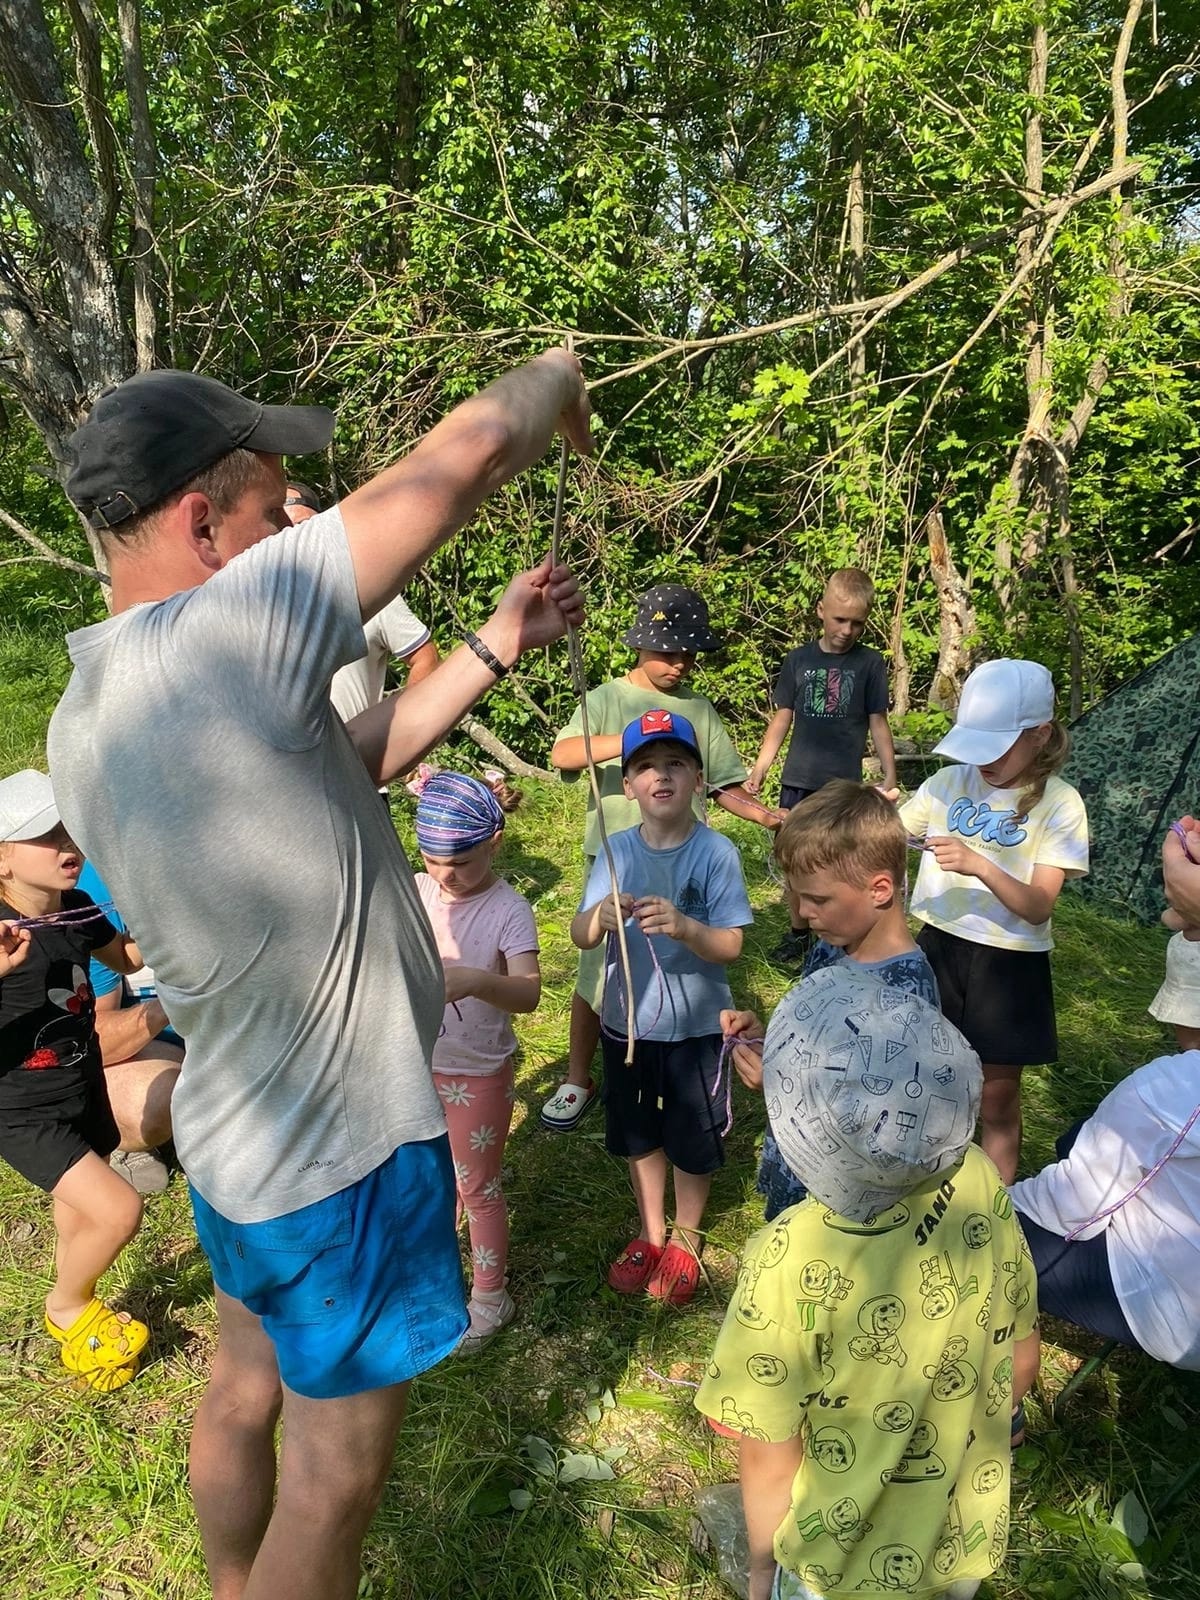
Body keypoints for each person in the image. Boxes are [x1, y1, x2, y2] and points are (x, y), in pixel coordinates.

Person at [47, 352, 591, 1600]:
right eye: (274, 505)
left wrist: (496, 642)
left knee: (243, 1396)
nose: (296, 525)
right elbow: (459, 460)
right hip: (342, 1151)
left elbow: (347, 755)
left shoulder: (92, 709)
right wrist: (554, 374)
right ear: (201, 521)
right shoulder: (225, 627)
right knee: (337, 1484)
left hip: (239, 1138)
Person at [696, 963, 1040, 1600]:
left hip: (839, 1568)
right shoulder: (977, 1178)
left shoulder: (788, 1256)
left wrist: (763, 1569)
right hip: (960, 1533)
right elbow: (1022, 1358)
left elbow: (768, 1450)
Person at [543, 584, 782, 1133]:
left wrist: (769, 817)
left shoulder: (697, 711)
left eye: (689, 654)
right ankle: (580, 1076)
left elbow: (723, 786)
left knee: (678, 952)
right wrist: (633, 740)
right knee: (597, 973)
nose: (680, 665)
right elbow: (564, 752)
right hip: (617, 862)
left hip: (683, 862)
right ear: (640, 646)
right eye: (669, 653)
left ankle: (670, 1056)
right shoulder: (605, 697)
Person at [570, 709, 754, 1305]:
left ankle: (687, 1239)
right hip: (628, 1026)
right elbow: (579, 935)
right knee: (639, 1132)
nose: (661, 776)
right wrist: (597, 917)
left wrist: (684, 927)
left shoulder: (717, 853)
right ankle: (651, 1233)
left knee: (690, 1136)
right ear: (627, 786)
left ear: (698, 777)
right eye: (646, 766)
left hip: (697, 1027)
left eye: (676, 763)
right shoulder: (615, 851)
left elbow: (730, 945)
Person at [899, 660, 1089, 1183]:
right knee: (926, 1074)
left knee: (997, 1094)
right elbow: (889, 834)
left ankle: (996, 1203)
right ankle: (923, 1182)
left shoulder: (1060, 804)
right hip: (938, 945)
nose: (980, 762)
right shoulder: (947, 783)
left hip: (1010, 964)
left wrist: (980, 864)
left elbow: (1037, 905)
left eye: (996, 747)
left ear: (1040, 735)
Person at [721, 781, 939, 1220]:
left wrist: (783, 1084)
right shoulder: (831, 944)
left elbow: (887, 1121)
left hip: (843, 1203)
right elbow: (820, 1039)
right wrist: (771, 1043)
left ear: (879, 889)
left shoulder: (905, 995)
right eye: (795, 896)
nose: (801, 913)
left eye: (816, 899)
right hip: (798, 1164)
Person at [0, 771, 152, 1391]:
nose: (68, 843)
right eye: (45, 835)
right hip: (20, 1112)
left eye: (70, 828)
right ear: (2, 857)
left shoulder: (78, 909)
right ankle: (67, 1307)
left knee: (76, 1214)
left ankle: (82, 1332)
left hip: (79, 1086)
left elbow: (128, 959)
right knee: (120, 1209)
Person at [413, 770, 540, 1348]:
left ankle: (491, 1295)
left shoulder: (509, 910)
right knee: (432, 1175)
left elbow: (529, 993)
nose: (445, 874)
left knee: (477, 1185)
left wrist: (473, 980)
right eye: (432, 859)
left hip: (477, 1071)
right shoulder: (416, 890)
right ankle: (438, 1276)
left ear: (493, 841)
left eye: (460, 861)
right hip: (414, 1064)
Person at [745, 568, 898, 970]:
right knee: (796, 859)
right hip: (798, 781)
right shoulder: (798, 660)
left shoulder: (869, 664)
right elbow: (782, 719)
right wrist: (761, 768)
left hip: (842, 788)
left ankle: (836, 938)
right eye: (839, 619)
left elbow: (878, 722)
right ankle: (798, 933)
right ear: (821, 611)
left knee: (839, 863)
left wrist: (890, 776)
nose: (847, 630)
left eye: (857, 623)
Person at [1011, 1048, 1200, 1369]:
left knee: (981, 1236)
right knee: (1077, 1137)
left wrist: (991, 1200)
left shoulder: (1173, 1084)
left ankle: (999, 1392)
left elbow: (1072, 1206)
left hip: (1179, 1320)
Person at [285, 480, 442, 731]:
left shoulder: (365, 587)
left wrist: (398, 732)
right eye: (283, 530)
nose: (293, 538)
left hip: (358, 760)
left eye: (302, 527)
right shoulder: (256, 605)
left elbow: (426, 657)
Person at [77, 859, 181, 1196]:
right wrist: (181, 1000)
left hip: (230, 1030)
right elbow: (93, 1039)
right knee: (161, 1098)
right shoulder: (93, 892)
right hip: (144, 1046)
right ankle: (121, 1141)